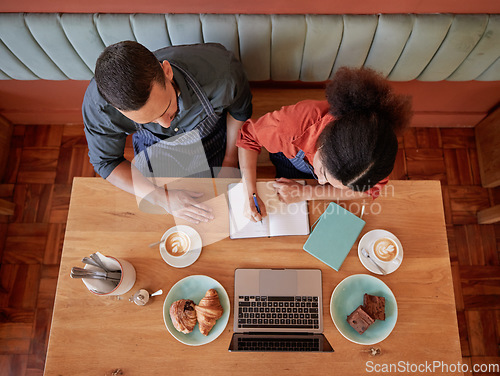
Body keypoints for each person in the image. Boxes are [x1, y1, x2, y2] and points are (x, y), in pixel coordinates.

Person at [82, 41, 252, 224]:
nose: (164, 124)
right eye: (149, 120)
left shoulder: (222, 73)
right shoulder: (99, 107)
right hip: (154, 147)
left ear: (167, 71)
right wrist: (161, 198)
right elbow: (107, 162)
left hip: (212, 140)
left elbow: (239, 113)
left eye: (167, 108)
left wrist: (229, 162)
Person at [237, 67, 412, 222]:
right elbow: (248, 138)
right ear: (321, 145)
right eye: (322, 172)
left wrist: (308, 193)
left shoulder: (374, 157)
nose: (320, 182)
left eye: (329, 180)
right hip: (289, 157)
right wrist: (249, 193)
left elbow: (365, 191)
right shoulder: (289, 127)